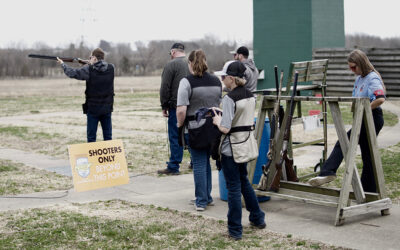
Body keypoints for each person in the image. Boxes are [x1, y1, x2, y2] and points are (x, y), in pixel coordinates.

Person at [309, 49, 386, 192]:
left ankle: (327, 172)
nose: (351, 70)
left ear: (361, 64)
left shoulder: (372, 77)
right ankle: (369, 191)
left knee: (343, 142)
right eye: (349, 67)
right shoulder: (359, 78)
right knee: (368, 156)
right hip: (362, 118)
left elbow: (380, 99)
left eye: (353, 67)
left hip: (372, 118)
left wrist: (364, 109)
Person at [212, 60, 266, 240]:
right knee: (244, 182)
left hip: (230, 149)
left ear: (231, 79)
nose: (221, 79)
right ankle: (258, 218)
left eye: (223, 76)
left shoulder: (229, 98)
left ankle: (235, 230)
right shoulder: (250, 95)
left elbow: (225, 128)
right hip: (245, 145)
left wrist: (217, 120)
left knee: (234, 188)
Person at [176, 50, 222, 211]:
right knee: (206, 163)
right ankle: (207, 197)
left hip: (195, 128)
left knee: (199, 164)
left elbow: (181, 110)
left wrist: (179, 125)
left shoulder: (186, 82)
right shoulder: (216, 81)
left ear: (190, 63)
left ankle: (201, 200)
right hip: (214, 127)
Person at [57, 48, 114, 143]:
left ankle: (92, 158)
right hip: (107, 108)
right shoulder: (111, 68)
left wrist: (63, 64)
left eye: (90, 57)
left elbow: (72, 73)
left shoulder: (88, 69)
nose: (89, 59)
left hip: (93, 109)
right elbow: (100, 67)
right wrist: (88, 63)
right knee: (108, 138)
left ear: (95, 58)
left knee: (91, 138)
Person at [158, 43, 190, 175]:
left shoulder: (170, 65)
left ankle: (174, 165)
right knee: (191, 133)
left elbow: (165, 87)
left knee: (175, 135)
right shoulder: (191, 63)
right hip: (192, 105)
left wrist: (164, 105)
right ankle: (195, 162)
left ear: (172, 52)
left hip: (176, 106)